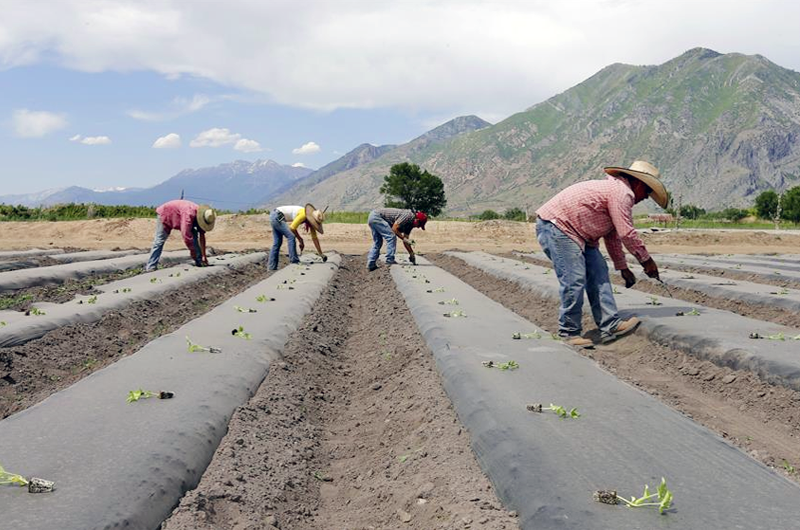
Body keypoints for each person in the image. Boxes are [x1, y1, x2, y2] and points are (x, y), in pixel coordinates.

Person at [535, 160, 667, 346]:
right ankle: (569, 332)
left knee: (599, 273)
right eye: (647, 192)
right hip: (558, 227)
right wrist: (646, 261)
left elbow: (613, 237)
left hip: (582, 235)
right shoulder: (622, 193)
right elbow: (627, 234)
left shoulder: (617, 193)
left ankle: (610, 324)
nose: (646, 198)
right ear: (638, 183)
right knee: (574, 280)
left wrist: (623, 267)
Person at [145, 199, 216, 271]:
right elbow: (186, 235)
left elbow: (202, 236)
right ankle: (151, 266)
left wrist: (204, 256)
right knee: (159, 241)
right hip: (165, 214)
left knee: (194, 234)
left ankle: (199, 261)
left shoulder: (202, 215)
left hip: (178, 215)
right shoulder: (188, 214)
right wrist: (192, 251)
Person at [268, 203, 327, 270]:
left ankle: (271, 267)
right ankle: (294, 261)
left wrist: (321, 254)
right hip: (277, 216)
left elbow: (314, 238)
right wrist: (300, 239)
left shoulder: (309, 221)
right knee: (291, 237)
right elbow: (292, 228)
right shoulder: (303, 214)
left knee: (277, 242)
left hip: (275, 216)